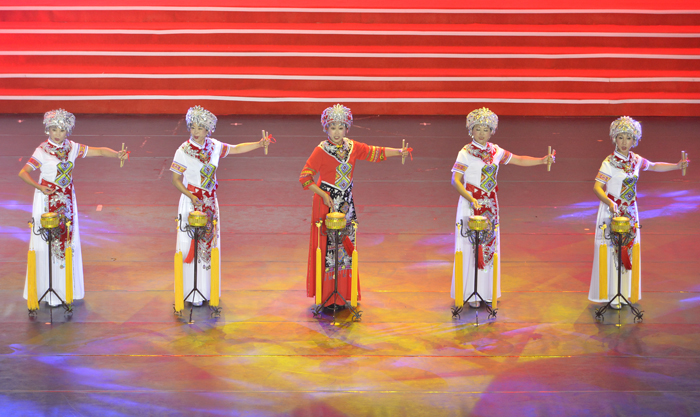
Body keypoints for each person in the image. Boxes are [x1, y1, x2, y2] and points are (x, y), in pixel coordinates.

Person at [299, 104, 410, 308]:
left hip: (345, 204)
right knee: (328, 249)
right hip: (326, 204)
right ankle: (327, 296)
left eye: (341, 128)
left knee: (345, 249)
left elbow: (374, 152)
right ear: (326, 128)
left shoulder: (352, 147)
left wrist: (399, 152)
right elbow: (305, 178)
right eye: (333, 127)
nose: (337, 132)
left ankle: (342, 294)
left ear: (347, 128)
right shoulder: (320, 150)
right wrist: (323, 194)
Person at [19, 109, 128, 306]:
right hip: (47, 200)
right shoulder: (42, 150)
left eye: (61, 130)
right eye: (54, 129)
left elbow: (99, 151)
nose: (57, 134)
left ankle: (64, 289)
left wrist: (116, 154)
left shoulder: (72, 147)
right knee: (48, 241)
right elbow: (24, 172)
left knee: (67, 240)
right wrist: (40, 187)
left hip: (67, 200)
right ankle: (47, 290)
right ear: (48, 129)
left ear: (67, 131)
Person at [451, 107, 554, 308]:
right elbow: (455, 180)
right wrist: (470, 199)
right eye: (478, 129)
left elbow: (518, 159)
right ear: (471, 130)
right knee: (471, 246)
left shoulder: (495, 151)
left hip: (491, 204)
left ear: (492, 131)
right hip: (471, 204)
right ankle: (471, 294)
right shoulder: (465, 152)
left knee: (490, 246)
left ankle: (487, 292)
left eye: (486, 129)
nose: (482, 134)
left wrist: (541, 161)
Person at [171, 106, 272, 306]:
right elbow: (175, 180)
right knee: (191, 243)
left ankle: (207, 290)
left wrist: (259, 144)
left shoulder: (214, 146)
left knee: (210, 244)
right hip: (192, 202)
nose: (196, 131)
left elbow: (236, 148)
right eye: (193, 127)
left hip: (210, 201)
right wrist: (191, 196)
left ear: (208, 130)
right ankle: (192, 293)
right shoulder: (183, 151)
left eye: (200, 128)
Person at [589, 116, 689, 308]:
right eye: (621, 137)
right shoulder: (609, 162)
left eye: (628, 138)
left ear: (634, 140)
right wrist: (610, 203)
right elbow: (597, 188)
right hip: (613, 211)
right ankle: (612, 294)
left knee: (628, 250)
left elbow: (654, 166)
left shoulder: (636, 160)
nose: (624, 142)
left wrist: (676, 166)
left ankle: (625, 293)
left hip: (630, 211)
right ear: (615, 139)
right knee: (613, 251)